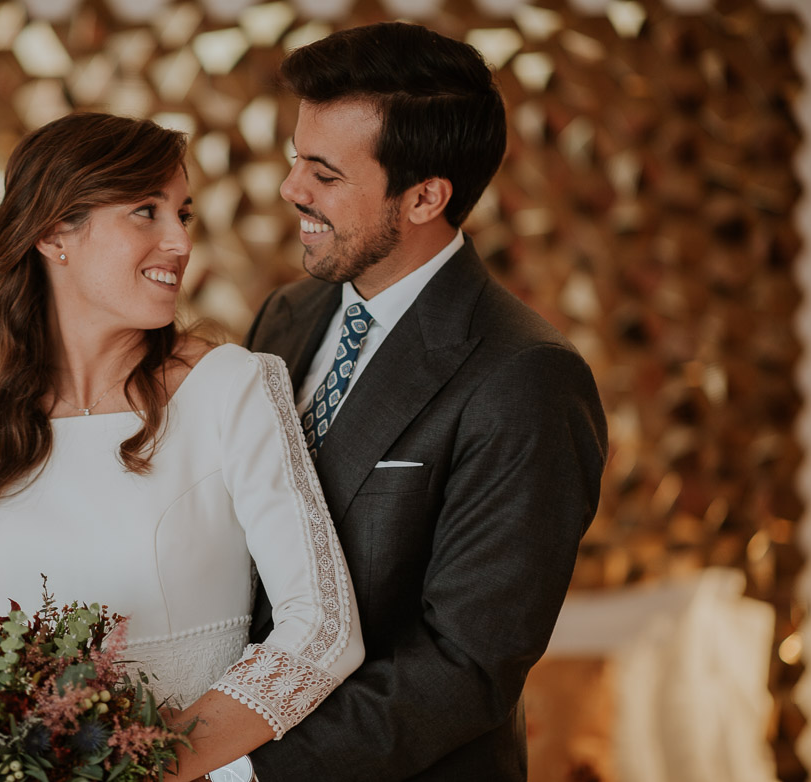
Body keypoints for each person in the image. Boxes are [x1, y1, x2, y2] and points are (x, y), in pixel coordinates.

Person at [0, 112, 363, 781]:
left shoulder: (229, 387)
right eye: (145, 212)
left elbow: (323, 628)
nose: (179, 241)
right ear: (52, 234)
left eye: (182, 213)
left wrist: (141, 767)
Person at [243, 22, 609, 781]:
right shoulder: (285, 315)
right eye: (293, 160)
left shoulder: (526, 378)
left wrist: (239, 769)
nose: (290, 190)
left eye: (324, 173)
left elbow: (464, 665)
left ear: (424, 197)